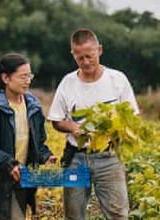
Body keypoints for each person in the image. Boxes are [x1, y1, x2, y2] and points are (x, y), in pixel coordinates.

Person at [47, 28, 139, 220]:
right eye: (80, 58)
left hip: (109, 158)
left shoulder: (117, 80)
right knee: (74, 215)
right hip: (76, 159)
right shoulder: (67, 83)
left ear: (100, 50)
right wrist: (73, 128)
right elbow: (56, 120)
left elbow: (132, 117)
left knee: (118, 214)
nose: (86, 62)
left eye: (89, 56)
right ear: (74, 55)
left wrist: (115, 129)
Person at [0, 52, 56, 220]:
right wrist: (10, 165)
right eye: (22, 77)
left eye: (29, 76)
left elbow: (38, 142)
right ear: (6, 78)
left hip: (23, 177)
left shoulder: (32, 106)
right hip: (0, 179)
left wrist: (46, 156)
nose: (28, 81)